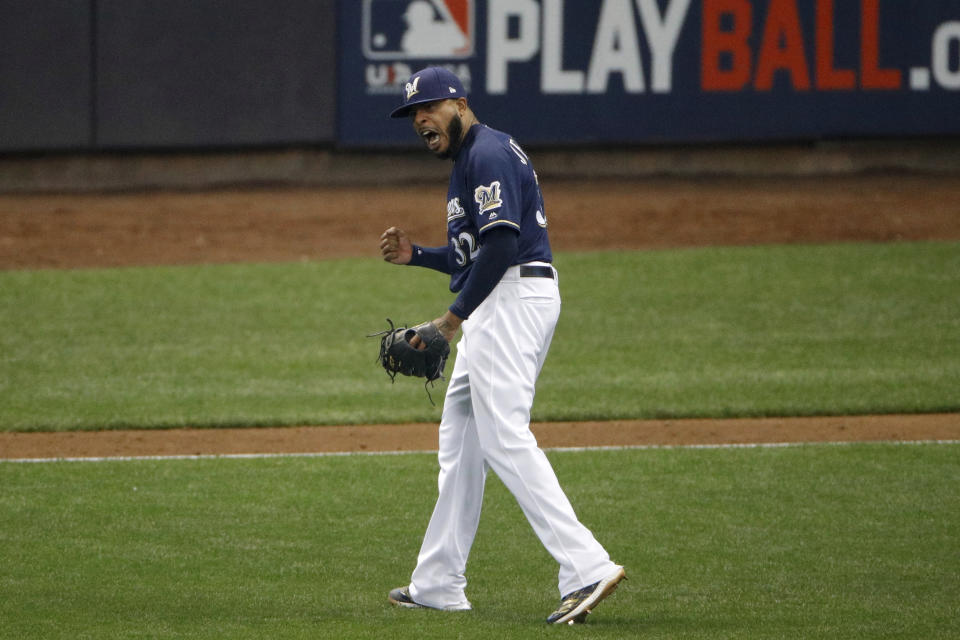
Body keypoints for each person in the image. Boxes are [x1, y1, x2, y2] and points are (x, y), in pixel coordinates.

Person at [379, 66, 625, 625]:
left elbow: (501, 245)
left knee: (504, 436)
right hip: (503, 297)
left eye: (430, 108)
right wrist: (418, 254)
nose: (420, 120)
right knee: (461, 439)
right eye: (413, 115)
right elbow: (472, 251)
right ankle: (438, 581)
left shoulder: (487, 153)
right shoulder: (473, 160)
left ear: (460, 104)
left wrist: (449, 322)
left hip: (511, 298)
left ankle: (586, 566)